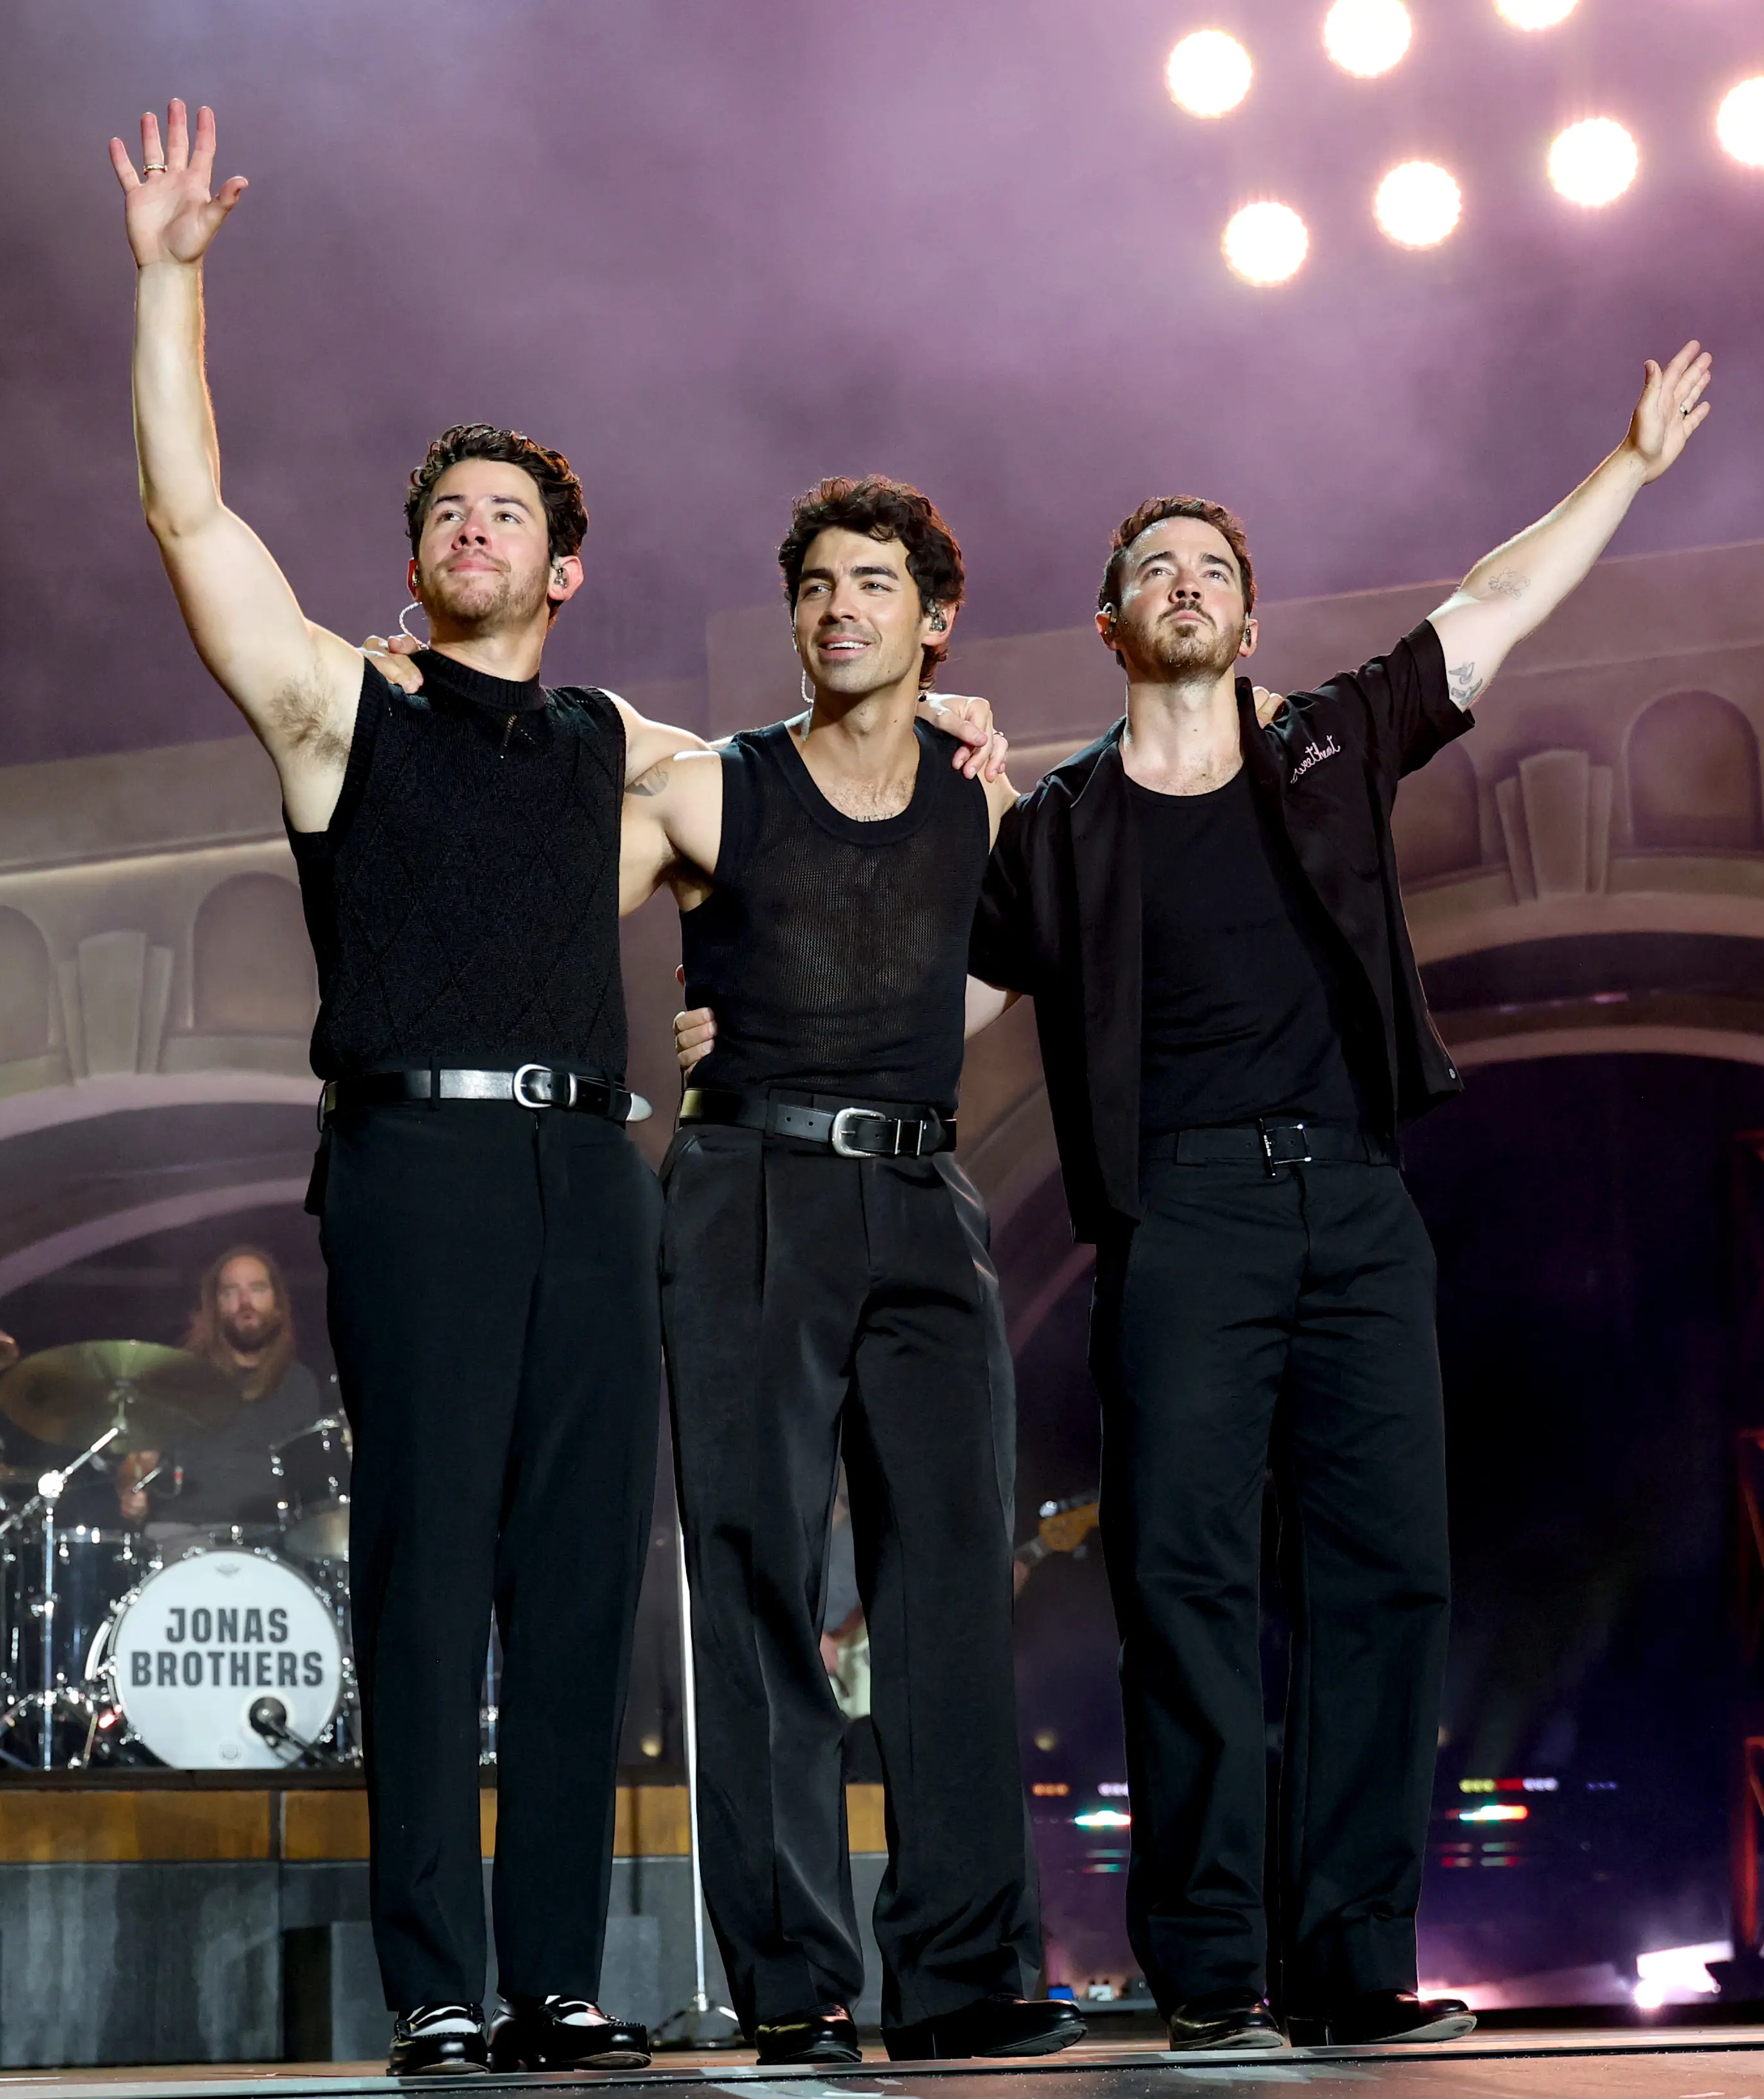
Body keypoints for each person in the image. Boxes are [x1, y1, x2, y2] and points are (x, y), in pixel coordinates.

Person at [102, 102, 975, 2075]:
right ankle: (434, 1987)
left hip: (591, 1175)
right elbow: (189, 520)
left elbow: (821, 786)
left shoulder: (621, 746)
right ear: (416, 560)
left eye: (506, 515)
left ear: (563, 570)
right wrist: (168, 286)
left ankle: (554, 1983)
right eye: (447, 514)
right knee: (426, 1568)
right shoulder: (342, 706)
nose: (472, 531)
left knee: (582, 1574)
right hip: (410, 1156)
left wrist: (942, 723)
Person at [966, 347, 1715, 2049]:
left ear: (1247, 621)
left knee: (1384, 1582)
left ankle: (1350, 1965)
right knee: (1182, 1586)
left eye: (1209, 568)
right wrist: (763, 1029)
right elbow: (947, 1001)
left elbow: (1487, 605)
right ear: (1109, 624)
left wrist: (1622, 463)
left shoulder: (1324, 741)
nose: (1182, 583)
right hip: (1180, 1225)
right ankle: (1207, 1974)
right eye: (1152, 567)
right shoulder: (1053, 827)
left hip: (1357, 1206)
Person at [653, 479, 1078, 2065]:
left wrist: (871, 1030)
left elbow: (984, 974)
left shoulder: (982, 801)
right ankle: (794, 1980)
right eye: (818, 585)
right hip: (750, 1184)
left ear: (934, 618)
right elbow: (566, 850)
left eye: (875, 583)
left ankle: (962, 1975)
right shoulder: (721, 783)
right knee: (757, 1570)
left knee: (950, 1578)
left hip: (917, 1189)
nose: (841, 606)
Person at [116, 1247, 327, 1544]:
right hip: (186, 1536)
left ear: (278, 1304)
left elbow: (314, 1486)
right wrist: (131, 1488)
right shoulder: (178, 1378)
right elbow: (137, 1463)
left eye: (257, 1289)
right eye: (231, 1292)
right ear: (215, 1307)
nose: (245, 1302)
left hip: (273, 1540)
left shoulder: (301, 1384)